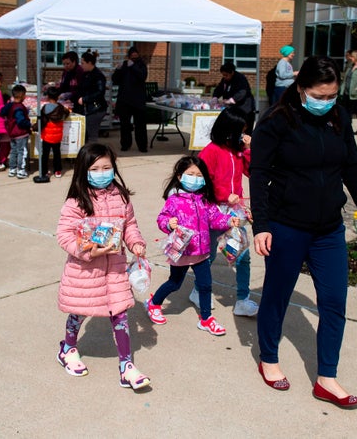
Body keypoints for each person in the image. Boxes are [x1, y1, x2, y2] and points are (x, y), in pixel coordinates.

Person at [250, 55, 357, 408]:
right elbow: (259, 176)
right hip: (286, 227)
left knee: (334, 302)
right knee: (277, 296)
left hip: (328, 230)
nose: (325, 103)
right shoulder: (276, 122)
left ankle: (327, 377)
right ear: (300, 89)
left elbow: (351, 168)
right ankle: (269, 358)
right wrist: (262, 226)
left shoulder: (338, 118)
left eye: (332, 96)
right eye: (319, 95)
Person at [55, 142, 151, 390]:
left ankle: (126, 366)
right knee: (79, 311)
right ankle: (67, 348)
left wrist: (136, 243)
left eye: (106, 167)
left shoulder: (121, 195)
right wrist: (86, 250)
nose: (102, 172)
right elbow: (64, 235)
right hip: (86, 271)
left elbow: (129, 225)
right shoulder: (76, 200)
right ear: (84, 170)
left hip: (116, 268)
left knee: (120, 314)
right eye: (95, 168)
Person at [145, 155, 240, 336]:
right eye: (191, 174)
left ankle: (206, 319)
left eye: (199, 175)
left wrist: (228, 221)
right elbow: (162, 218)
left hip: (201, 252)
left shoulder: (205, 200)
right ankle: (154, 303)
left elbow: (215, 219)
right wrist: (168, 224)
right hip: (182, 251)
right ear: (180, 177)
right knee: (174, 283)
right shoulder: (174, 200)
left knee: (205, 285)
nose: (195, 179)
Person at [195, 106, 258, 317]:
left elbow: (252, 172)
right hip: (214, 210)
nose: (243, 134)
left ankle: (243, 299)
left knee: (242, 256)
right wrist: (223, 194)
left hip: (235, 212)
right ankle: (198, 289)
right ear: (227, 129)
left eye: (245, 130)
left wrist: (249, 149)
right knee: (210, 254)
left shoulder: (238, 150)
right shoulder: (211, 151)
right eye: (241, 130)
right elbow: (202, 182)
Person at [112, 45, 148, 153]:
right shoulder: (124, 65)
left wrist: (133, 66)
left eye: (135, 56)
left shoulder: (142, 65)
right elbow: (115, 80)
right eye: (132, 57)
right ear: (129, 56)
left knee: (140, 125)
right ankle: (125, 144)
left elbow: (143, 77)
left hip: (138, 100)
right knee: (125, 125)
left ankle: (142, 146)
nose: (133, 58)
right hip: (125, 100)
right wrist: (117, 70)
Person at [212, 62, 256, 132]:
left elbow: (242, 92)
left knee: (245, 130)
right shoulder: (225, 80)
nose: (224, 77)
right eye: (223, 75)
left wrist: (232, 100)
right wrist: (215, 97)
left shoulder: (240, 78)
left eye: (226, 75)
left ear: (232, 72)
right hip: (233, 108)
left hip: (245, 108)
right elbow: (219, 88)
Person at [77, 50, 108, 143]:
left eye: (83, 63)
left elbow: (100, 92)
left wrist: (85, 99)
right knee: (87, 134)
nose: (81, 65)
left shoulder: (98, 76)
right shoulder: (86, 74)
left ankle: (93, 155)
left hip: (96, 109)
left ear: (89, 63)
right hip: (89, 108)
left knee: (92, 136)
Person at [2, 84, 32, 179]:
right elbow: (21, 121)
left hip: (12, 133)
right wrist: (29, 125)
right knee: (22, 152)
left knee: (14, 151)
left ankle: (12, 169)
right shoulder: (19, 107)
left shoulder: (10, 105)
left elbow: (2, 111)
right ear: (22, 95)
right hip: (21, 133)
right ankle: (21, 170)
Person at [39, 86, 70, 178]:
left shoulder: (45, 108)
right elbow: (67, 113)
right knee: (57, 154)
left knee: (45, 154)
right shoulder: (61, 108)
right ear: (58, 97)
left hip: (47, 135)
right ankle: (58, 170)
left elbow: (42, 121)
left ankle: (44, 171)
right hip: (57, 135)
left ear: (48, 96)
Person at [340, 50, 357, 135]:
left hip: (356, 95)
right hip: (346, 93)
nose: (350, 58)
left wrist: (356, 88)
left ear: (356, 57)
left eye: (352, 57)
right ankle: (348, 127)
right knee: (347, 111)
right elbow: (345, 78)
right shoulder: (350, 66)